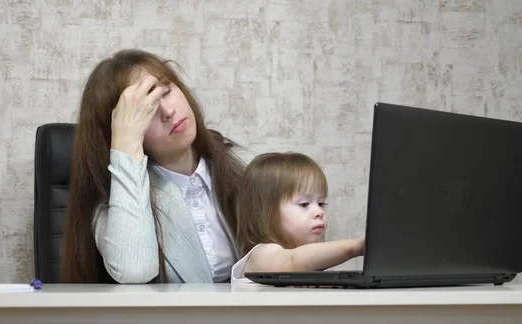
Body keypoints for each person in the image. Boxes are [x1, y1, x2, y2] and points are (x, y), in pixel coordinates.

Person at [61, 49, 249, 284]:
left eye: (167, 91)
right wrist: (126, 146)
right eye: (146, 110)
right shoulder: (111, 207)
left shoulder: (245, 166)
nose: (168, 112)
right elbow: (135, 270)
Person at [232, 152, 365, 284]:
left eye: (321, 203)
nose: (319, 212)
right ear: (265, 212)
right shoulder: (261, 255)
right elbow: (292, 261)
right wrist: (355, 246)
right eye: (304, 204)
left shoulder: (307, 262)